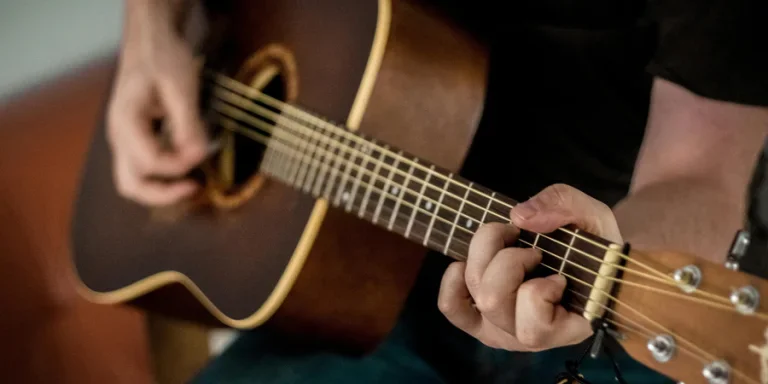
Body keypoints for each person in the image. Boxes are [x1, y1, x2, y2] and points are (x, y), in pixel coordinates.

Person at [107, 0, 768, 382]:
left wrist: (613, 254)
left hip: (581, 304)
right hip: (343, 307)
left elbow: (704, 172)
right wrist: (148, 34)